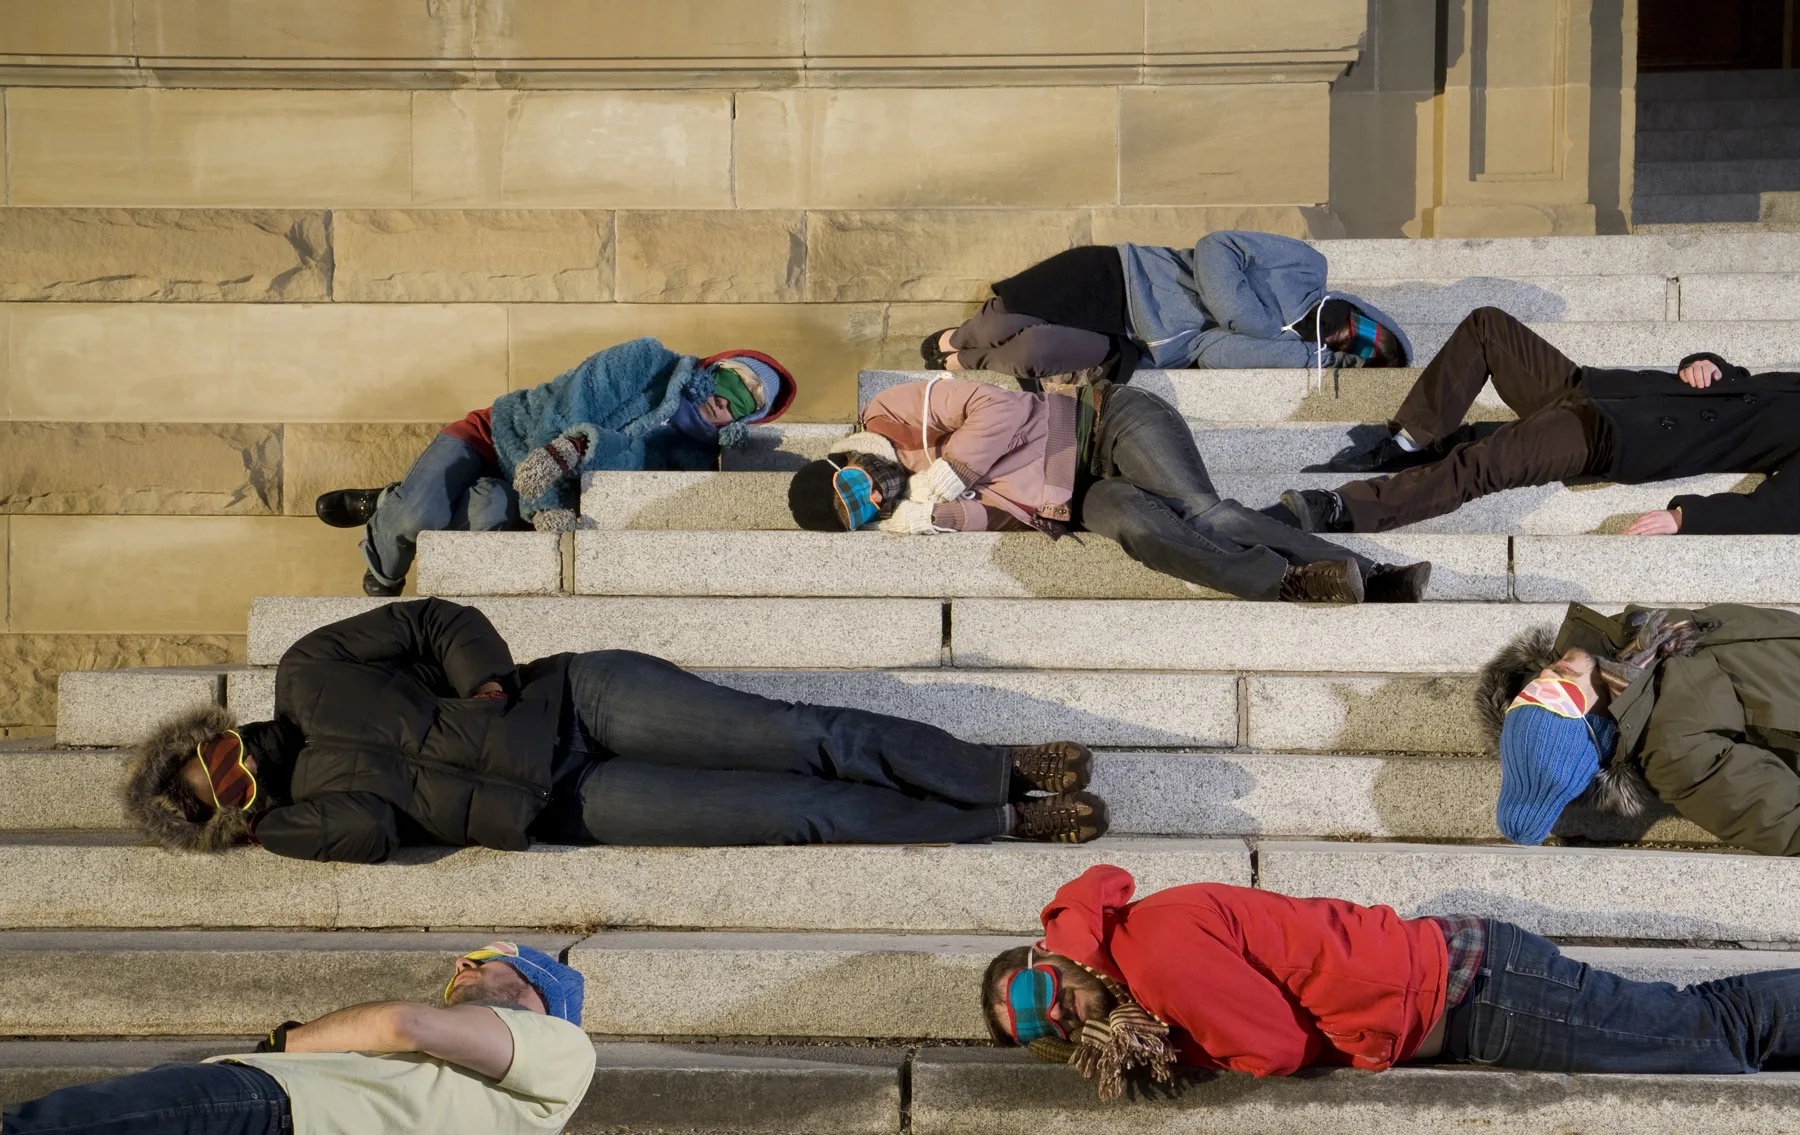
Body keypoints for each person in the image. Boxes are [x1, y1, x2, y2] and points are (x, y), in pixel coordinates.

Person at [121, 598, 1109, 860]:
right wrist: (276, 830)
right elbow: (374, 835)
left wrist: (490, 688)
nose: (244, 769)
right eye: (233, 795)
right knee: (793, 812)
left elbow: (436, 622)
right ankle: (1003, 824)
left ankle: (995, 768)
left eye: (219, 756)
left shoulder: (306, 673)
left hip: (577, 701)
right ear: (235, 821)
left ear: (213, 730)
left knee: (794, 730)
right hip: (569, 804)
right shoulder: (311, 818)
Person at [982, 864, 1800, 1102]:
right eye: (1032, 1030)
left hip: (1476, 995)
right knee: (1703, 1026)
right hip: (1465, 983)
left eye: (1035, 993)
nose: (1053, 1017)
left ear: (1043, 954)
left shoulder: (1151, 957)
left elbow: (1272, 1047)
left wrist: (1177, 1047)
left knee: (1711, 1033)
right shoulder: (1133, 949)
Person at [3, 940, 595, 1135]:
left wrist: (283, 1043)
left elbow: (405, 1025)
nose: (461, 962)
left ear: (542, 993)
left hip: (254, 1116)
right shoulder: (514, 1116)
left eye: (489, 960)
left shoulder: (562, 1046)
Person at [784, 377, 1433, 604]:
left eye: (852, 486)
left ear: (844, 459)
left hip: (1106, 421)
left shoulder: (893, 412)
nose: (871, 494)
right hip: (1077, 496)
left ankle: (1374, 578)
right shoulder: (914, 504)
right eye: (861, 512)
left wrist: (943, 474)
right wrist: (934, 518)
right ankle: (1290, 583)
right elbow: (1000, 519)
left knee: (1202, 510)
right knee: (1141, 529)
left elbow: (1000, 408)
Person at [314, 338, 797, 596]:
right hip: (499, 436)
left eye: (746, 403)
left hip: (519, 490)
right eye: (733, 381)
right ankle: (385, 553)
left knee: (481, 520)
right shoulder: (645, 360)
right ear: (714, 368)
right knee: (417, 515)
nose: (725, 402)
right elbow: (562, 414)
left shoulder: (690, 458)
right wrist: (544, 496)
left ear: (748, 419)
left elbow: (622, 480)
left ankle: (391, 499)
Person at [1282, 306, 1800, 535]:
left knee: (1483, 464)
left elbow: (1779, 511)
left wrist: (1688, 519)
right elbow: (1743, 383)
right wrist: (1709, 362)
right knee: (1488, 327)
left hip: (1615, 436)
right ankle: (1412, 439)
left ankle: (1345, 508)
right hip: (1600, 389)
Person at [1476, 601, 1800, 856]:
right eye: (1555, 696)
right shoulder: (1677, 756)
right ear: (1595, 729)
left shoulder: (1625, 646)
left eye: (1528, 692)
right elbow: (1784, 823)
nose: (1546, 677)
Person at [919, 232, 1410, 382]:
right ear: (1361, 312)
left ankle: (968, 360)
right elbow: (1219, 247)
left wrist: (1306, 357)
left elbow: (1214, 351)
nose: (1349, 334)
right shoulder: (1307, 265)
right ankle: (957, 339)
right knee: (1006, 316)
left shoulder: (1291, 347)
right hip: (1121, 274)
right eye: (1362, 329)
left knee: (1032, 352)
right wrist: (1255, 322)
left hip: (1131, 343)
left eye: (1359, 348)